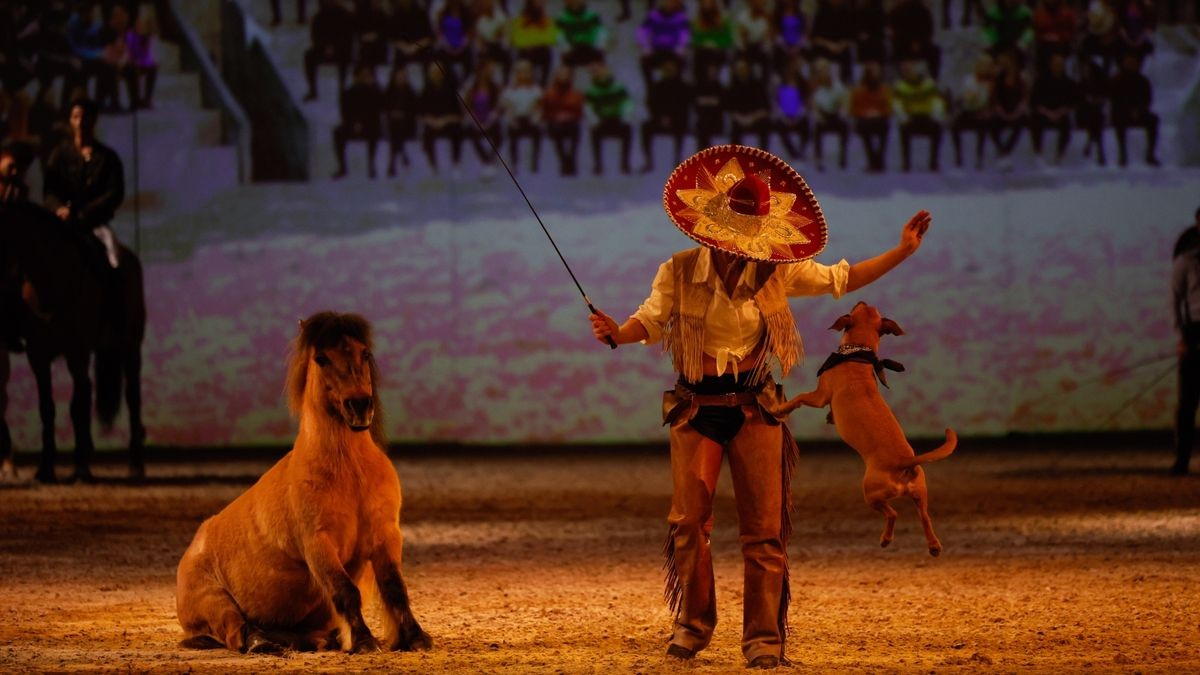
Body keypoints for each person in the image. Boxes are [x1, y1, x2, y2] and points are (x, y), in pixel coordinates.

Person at [588, 144, 932, 670]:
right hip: (696, 408)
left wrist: (902, 251)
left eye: (750, 239)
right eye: (734, 238)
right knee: (688, 525)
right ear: (713, 233)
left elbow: (842, 278)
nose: (741, 248)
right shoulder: (678, 271)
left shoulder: (779, 271)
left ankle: (764, 640)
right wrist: (617, 334)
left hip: (754, 408)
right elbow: (650, 321)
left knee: (765, 531)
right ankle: (692, 626)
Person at [43, 98, 124, 271]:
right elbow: (49, 191)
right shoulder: (60, 155)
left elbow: (114, 192)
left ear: (93, 120)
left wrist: (84, 213)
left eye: (85, 117)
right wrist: (59, 209)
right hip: (63, 224)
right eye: (76, 117)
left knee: (113, 262)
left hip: (94, 225)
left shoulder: (107, 158)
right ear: (71, 120)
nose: (80, 122)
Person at [1171, 206, 1200, 476]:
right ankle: (1182, 460)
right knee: (1188, 402)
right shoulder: (1186, 261)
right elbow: (1175, 301)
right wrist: (1181, 337)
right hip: (1195, 332)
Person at [332, 63, 384, 179]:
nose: (364, 78)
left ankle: (371, 166)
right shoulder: (347, 93)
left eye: (367, 75)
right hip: (352, 125)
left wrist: (374, 87)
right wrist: (354, 123)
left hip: (370, 125)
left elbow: (378, 111)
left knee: (375, 130)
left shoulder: (375, 92)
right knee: (338, 132)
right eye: (362, 75)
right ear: (356, 76)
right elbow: (345, 113)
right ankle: (342, 167)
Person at [639, 57, 691, 173]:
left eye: (671, 68)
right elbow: (651, 104)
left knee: (682, 126)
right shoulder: (657, 86)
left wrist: (671, 118)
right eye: (666, 69)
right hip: (659, 119)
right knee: (645, 127)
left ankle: (678, 160)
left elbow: (685, 106)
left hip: (678, 120)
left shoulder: (684, 87)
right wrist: (661, 118)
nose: (668, 71)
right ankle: (648, 162)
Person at [1109, 52, 1159, 167]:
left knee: (1154, 119)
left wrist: (1139, 111)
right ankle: (1123, 155)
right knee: (1118, 121)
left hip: (1139, 113)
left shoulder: (1143, 81)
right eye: (1128, 63)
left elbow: (1147, 99)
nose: (1130, 65)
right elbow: (1114, 100)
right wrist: (1128, 111)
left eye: (1133, 63)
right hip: (1121, 113)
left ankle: (1150, 154)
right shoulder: (1117, 80)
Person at [893, 59, 944, 172]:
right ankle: (906, 163)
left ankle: (933, 162)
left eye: (910, 70)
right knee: (903, 128)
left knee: (938, 128)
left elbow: (937, 102)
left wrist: (936, 116)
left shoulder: (929, 84)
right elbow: (897, 105)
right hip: (910, 117)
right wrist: (903, 118)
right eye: (905, 71)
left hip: (927, 116)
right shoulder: (900, 86)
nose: (907, 73)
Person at [1029, 52, 1078, 165]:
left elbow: (1073, 102)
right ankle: (1038, 153)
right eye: (1055, 64)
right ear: (1050, 65)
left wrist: (1060, 112)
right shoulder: (1040, 81)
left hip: (1060, 114)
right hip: (1044, 113)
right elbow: (1034, 101)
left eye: (1060, 64)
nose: (1058, 66)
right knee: (1034, 121)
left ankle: (1059, 155)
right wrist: (1047, 113)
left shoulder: (1069, 82)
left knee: (1066, 126)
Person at [584, 62, 632, 174]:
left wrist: (626, 116)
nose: (603, 75)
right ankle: (598, 165)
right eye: (600, 73)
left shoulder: (618, 87)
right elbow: (588, 108)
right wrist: (594, 120)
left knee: (628, 130)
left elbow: (627, 103)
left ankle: (625, 164)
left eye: (605, 72)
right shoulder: (592, 90)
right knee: (594, 132)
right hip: (601, 121)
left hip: (617, 119)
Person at [302, 0, 354, 102]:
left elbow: (349, 37)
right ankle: (313, 90)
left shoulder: (346, 15)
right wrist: (325, 47)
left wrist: (335, 47)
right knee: (309, 56)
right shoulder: (319, 16)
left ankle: (342, 90)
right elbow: (315, 36)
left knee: (346, 57)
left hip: (342, 49)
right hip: (323, 48)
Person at [417, 62, 465, 174]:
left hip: (447, 123)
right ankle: (433, 165)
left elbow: (459, 116)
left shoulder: (450, 90)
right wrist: (431, 121)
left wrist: (445, 120)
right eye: (434, 73)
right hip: (432, 124)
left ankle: (456, 163)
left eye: (438, 72)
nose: (436, 75)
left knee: (457, 131)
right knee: (426, 134)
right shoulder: (426, 90)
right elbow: (420, 114)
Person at [951, 53, 994, 169]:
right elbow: (968, 98)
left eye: (988, 65)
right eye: (982, 65)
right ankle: (958, 155)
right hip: (970, 110)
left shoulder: (994, 82)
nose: (985, 68)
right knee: (955, 125)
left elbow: (992, 99)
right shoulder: (969, 79)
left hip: (986, 112)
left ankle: (980, 157)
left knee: (985, 124)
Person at [500, 59, 544, 173]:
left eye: (526, 71)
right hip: (516, 119)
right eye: (521, 71)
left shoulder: (536, 89)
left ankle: (535, 163)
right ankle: (514, 164)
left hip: (530, 119)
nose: (523, 74)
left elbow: (539, 108)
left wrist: (536, 118)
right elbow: (507, 108)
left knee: (538, 131)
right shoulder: (509, 90)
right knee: (511, 131)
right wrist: (511, 119)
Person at [541, 65, 584, 175]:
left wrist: (569, 116)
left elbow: (579, 112)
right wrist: (556, 116)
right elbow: (544, 111)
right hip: (555, 123)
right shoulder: (549, 93)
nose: (564, 77)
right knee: (556, 130)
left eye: (566, 75)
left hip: (571, 122)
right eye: (561, 75)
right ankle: (564, 160)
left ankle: (571, 157)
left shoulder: (576, 93)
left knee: (576, 129)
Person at [850, 61, 892, 172]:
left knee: (885, 125)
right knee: (864, 127)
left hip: (879, 118)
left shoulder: (884, 89)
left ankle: (879, 159)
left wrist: (878, 113)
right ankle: (872, 159)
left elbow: (888, 107)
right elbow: (855, 108)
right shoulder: (859, 90)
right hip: (865, 120)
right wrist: (867, 113)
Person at [809, 58, 849, 171]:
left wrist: (841, 112)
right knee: (816, 128)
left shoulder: (837, 85)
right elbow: (814, 105)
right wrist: (818, 116)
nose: (822, 72)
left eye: (824, 69)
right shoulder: (814, 87)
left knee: (845, 126)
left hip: (835, 114)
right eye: (820, 70)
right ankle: (819, 158)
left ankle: (843, 156)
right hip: (822, 115)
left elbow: (843, 102)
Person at [725, 57, 771, 151]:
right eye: (739, 69)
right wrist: (741, 118)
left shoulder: (758, 85)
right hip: (740, 120)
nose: (742, 71)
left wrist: (752, 118)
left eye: (744, 68)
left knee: (765, 125)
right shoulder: (733, 86)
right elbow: (729, 108)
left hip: (755, 119)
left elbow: (766, 109)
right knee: (734, 129)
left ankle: (763, 157)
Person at [510, 0, 557, 86]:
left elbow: (551, 38)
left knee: (548, 53)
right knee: (520, 53)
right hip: (526, 52)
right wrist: (531, 43)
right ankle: (523, 82)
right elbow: (517, 39)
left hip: (541, 51)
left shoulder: (546, 20)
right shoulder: (520, 20)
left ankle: (543, 84)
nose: (539, 4)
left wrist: (534, 42)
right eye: (536, 2)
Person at [556, 0, 606, 68]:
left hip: (590, 47)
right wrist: (566, 48)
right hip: (572, 49)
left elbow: (601, 31)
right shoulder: (562, 17)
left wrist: (599, 46)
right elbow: (559, 35)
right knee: (564, 71)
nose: (575, 2)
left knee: (599, 67)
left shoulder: (592, 15)